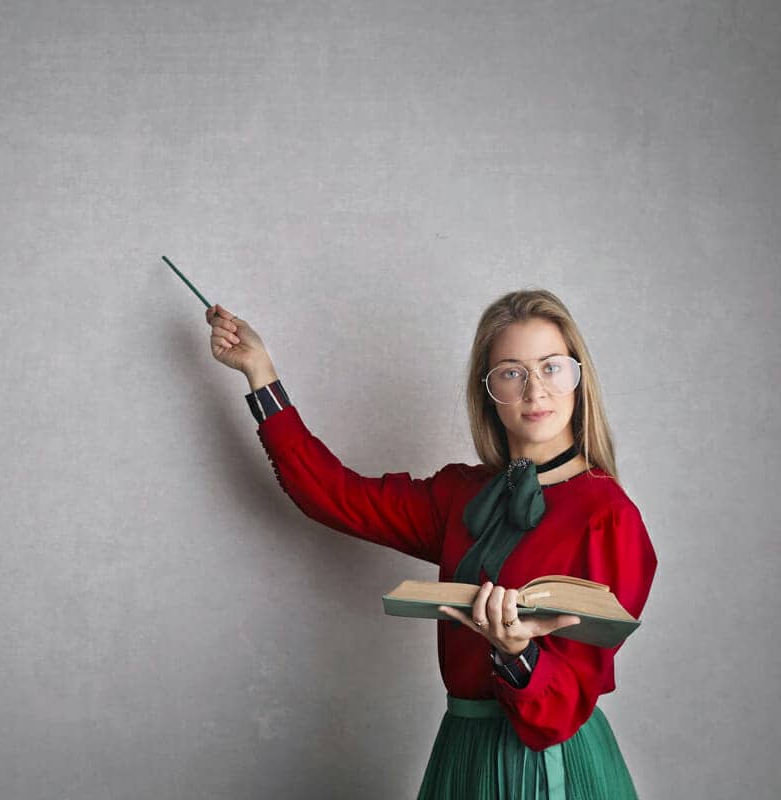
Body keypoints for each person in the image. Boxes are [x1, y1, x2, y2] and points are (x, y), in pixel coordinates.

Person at [204, 289, 657, 799]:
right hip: (462, 753)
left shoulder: (608, 517)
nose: (535, 391)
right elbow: (331, 495)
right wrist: (260, 372)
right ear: (488, 391)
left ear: (579, 378)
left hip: (551, 763)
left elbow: (564, 705)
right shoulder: (459, 495)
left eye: (552, 367)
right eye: (511, 372)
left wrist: (517, 654)